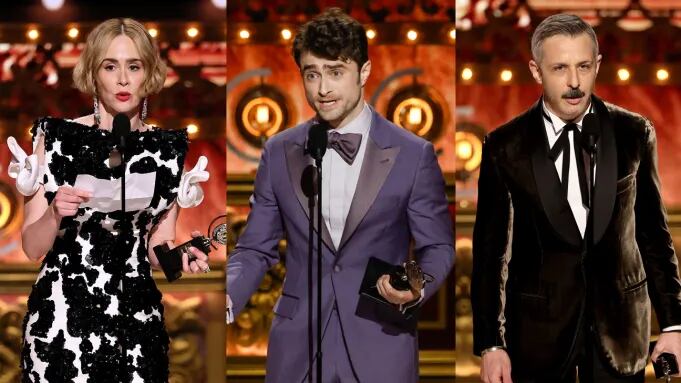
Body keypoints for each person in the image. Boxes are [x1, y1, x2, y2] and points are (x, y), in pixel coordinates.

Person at [226, 7, 454, 383]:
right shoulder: (279, 151)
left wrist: (414, 285)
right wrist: (229, 295)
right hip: (298, 347)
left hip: (379, 342)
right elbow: (255, 247)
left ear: (364, 71)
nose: (322, 89)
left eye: (335, 72)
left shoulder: (413, 154)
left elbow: (438, 248)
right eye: (312, 74)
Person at [472, 13, 681, 383]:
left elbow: (653, 235)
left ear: (597, 65)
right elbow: (490, 256)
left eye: (584, 66)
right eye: (560, 68)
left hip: (621, 331)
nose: (574, 82)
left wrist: (674, 325)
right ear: (537, 71)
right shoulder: (504, 146)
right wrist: (491, 344)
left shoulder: (634, 132)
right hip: (538, 336)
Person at [7, 18, 210, 382]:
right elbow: (31, 247)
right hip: (63, 321)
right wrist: (55, 214)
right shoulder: (53, 139)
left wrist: (183, 255)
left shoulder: (168, 150)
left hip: (137, 322)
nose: (122, 80)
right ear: (92, 73)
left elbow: (157, 245)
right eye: (110, 66)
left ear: (148, 74)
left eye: (134, 66)